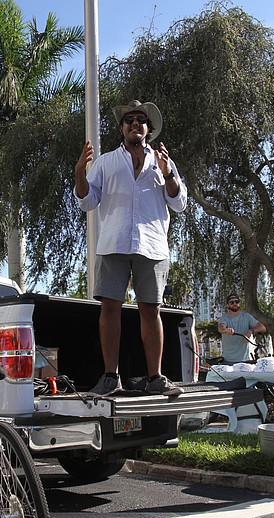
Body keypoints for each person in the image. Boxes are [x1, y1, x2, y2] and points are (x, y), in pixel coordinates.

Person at [75, 100, 188, 397]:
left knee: (151, 310)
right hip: (113, 242)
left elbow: (179, 202)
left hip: (152, 245)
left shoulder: (163, 161)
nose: (134, 123)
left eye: (140, 119)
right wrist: (78, 175)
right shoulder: (106, 161)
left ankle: (156, 378)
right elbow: (88, 201)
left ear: (148, 128)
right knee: (109, 308)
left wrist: (167, 174)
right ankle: (110, 377)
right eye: (129, 120)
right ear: (122, 127)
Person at [217, 293, 267, 364]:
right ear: (228, 305)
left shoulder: (246, 316)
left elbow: (262, 328)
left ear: (239, 303)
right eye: (231, 302)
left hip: (245, 361)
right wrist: (225, 330)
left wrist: (251, 331)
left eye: (236, 302)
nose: (234, 304)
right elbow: (220, 328)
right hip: (228, 361)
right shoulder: (225, 318)